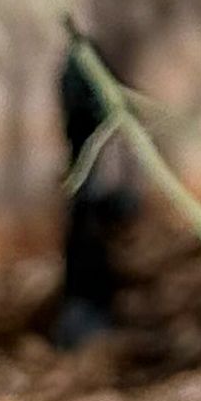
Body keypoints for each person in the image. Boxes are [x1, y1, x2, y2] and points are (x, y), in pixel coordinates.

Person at [54, 33, 137, 350]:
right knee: (86, 239)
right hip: (86, 167)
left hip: (88, 166)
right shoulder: (80, 70)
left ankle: (83, 325)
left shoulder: (80, 67)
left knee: (86, 237)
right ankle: (84, 327)